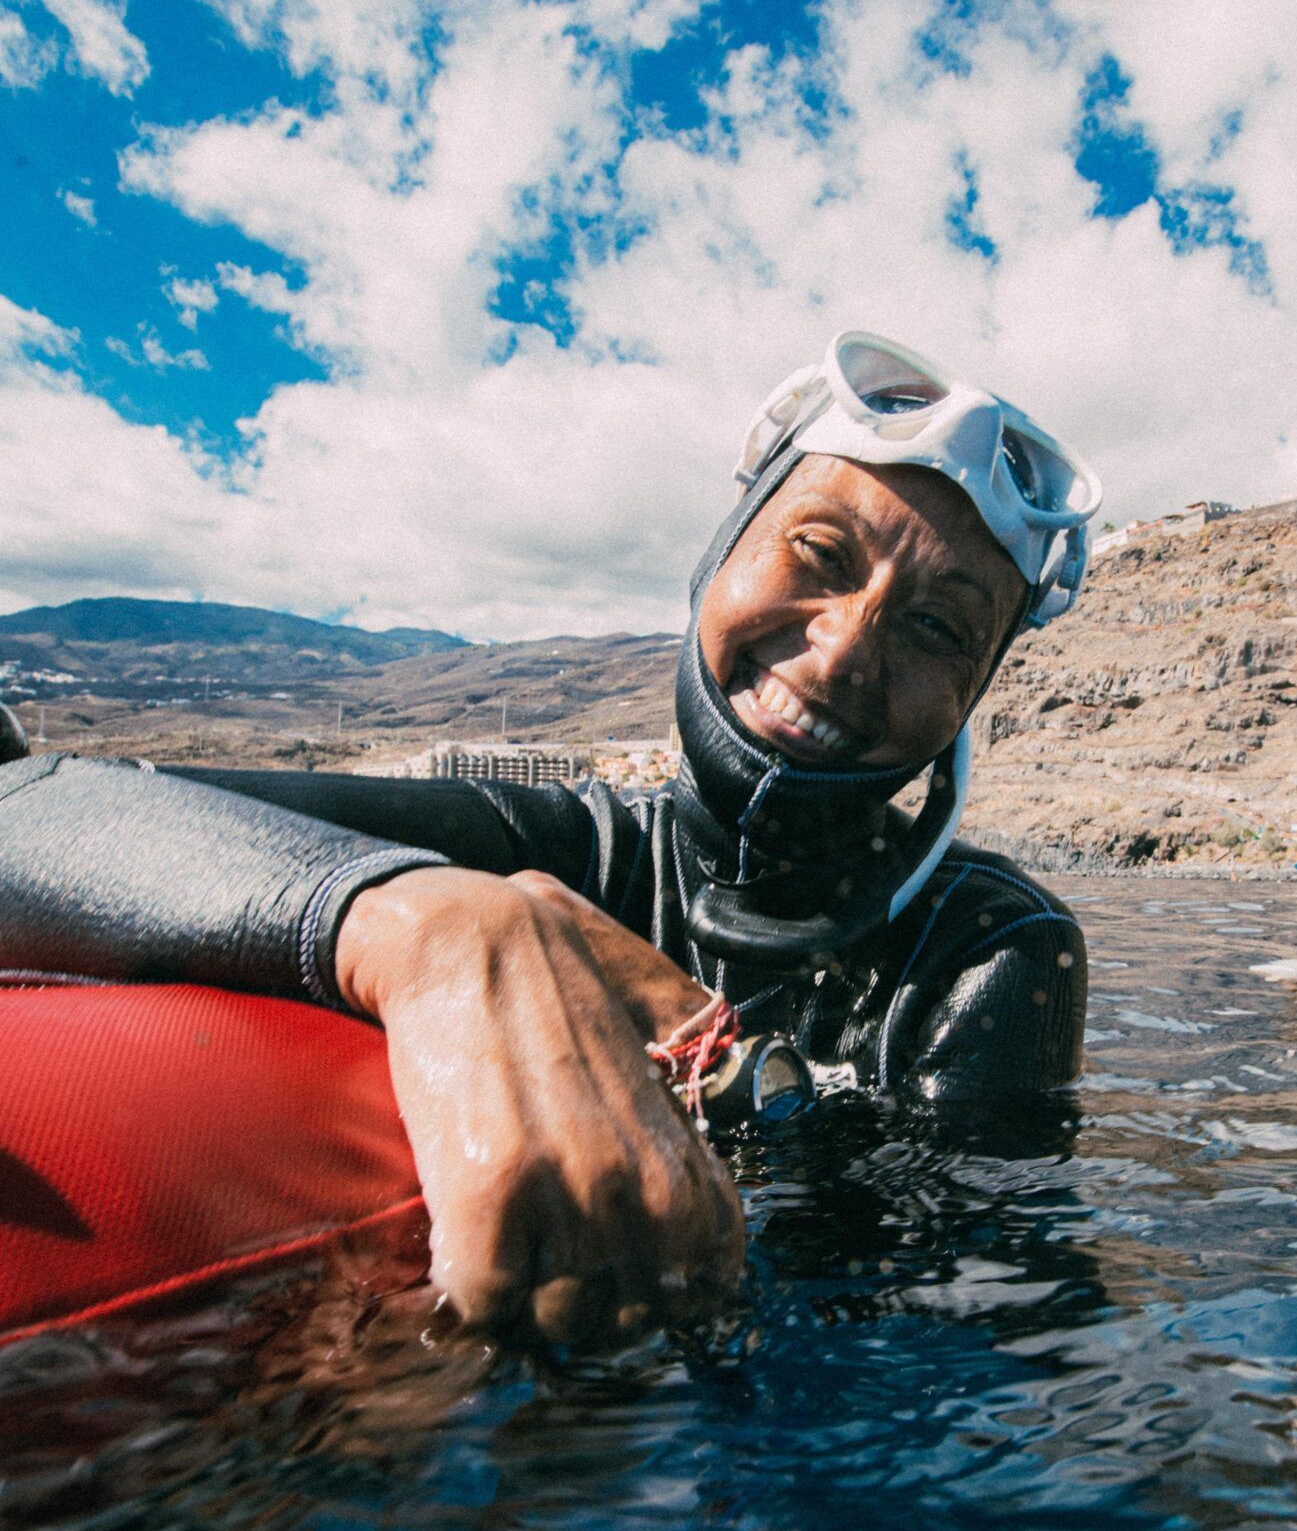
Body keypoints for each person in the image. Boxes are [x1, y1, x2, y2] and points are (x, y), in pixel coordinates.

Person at [0, 330, 1100, 1343]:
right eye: (818, 552)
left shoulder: (984, 950)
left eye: (937, 628)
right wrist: (432, 930)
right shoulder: (565, 847)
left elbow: (949, 1352)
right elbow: (37, 806)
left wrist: (731, 1079)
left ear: (970, 700)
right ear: (723, 551)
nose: (847, 647)